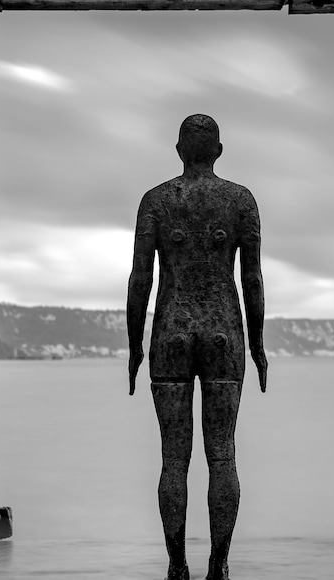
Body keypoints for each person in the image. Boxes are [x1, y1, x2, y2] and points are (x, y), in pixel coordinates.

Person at [127, 114, 267, 580]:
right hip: (225, 330)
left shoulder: (157, 200)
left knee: (173, 458)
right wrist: (259, 344)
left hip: (171, 330)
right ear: (219, 151)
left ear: (178, 150)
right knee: (222, 453)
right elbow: (252, 279)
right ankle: (219, 565)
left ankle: (176, 565)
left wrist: (134, 345)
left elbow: (141, 279)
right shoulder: (240, 200)